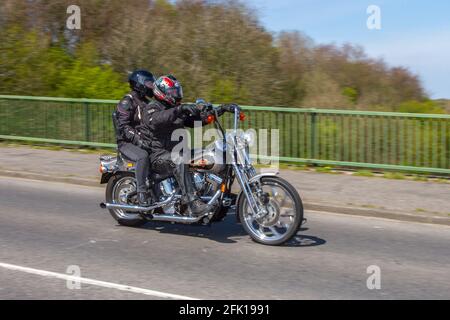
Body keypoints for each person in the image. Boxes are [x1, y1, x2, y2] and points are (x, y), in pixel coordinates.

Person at [139, 75, 220, 216]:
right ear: (161, 92)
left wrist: (219, 111)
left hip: (177, 151)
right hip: (158, 155)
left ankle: (215, 195)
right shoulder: (152, 108)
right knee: (180, 160)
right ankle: (192, 202)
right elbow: (159, 119)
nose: (176, 95)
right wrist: (180, 109)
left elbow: (195, 121)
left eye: (177, 91)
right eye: (172, 92)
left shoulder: (174, 109)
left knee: (210, 153)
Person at [113, 70, 155, 206]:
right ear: (139, 84)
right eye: (149, 83)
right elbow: (123, 127)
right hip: (126, 143)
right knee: (143, 156)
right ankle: (141, 193)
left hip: (143, 140)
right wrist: (139, 140)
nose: (151, 86)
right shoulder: (127, 102)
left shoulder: (146, 102)